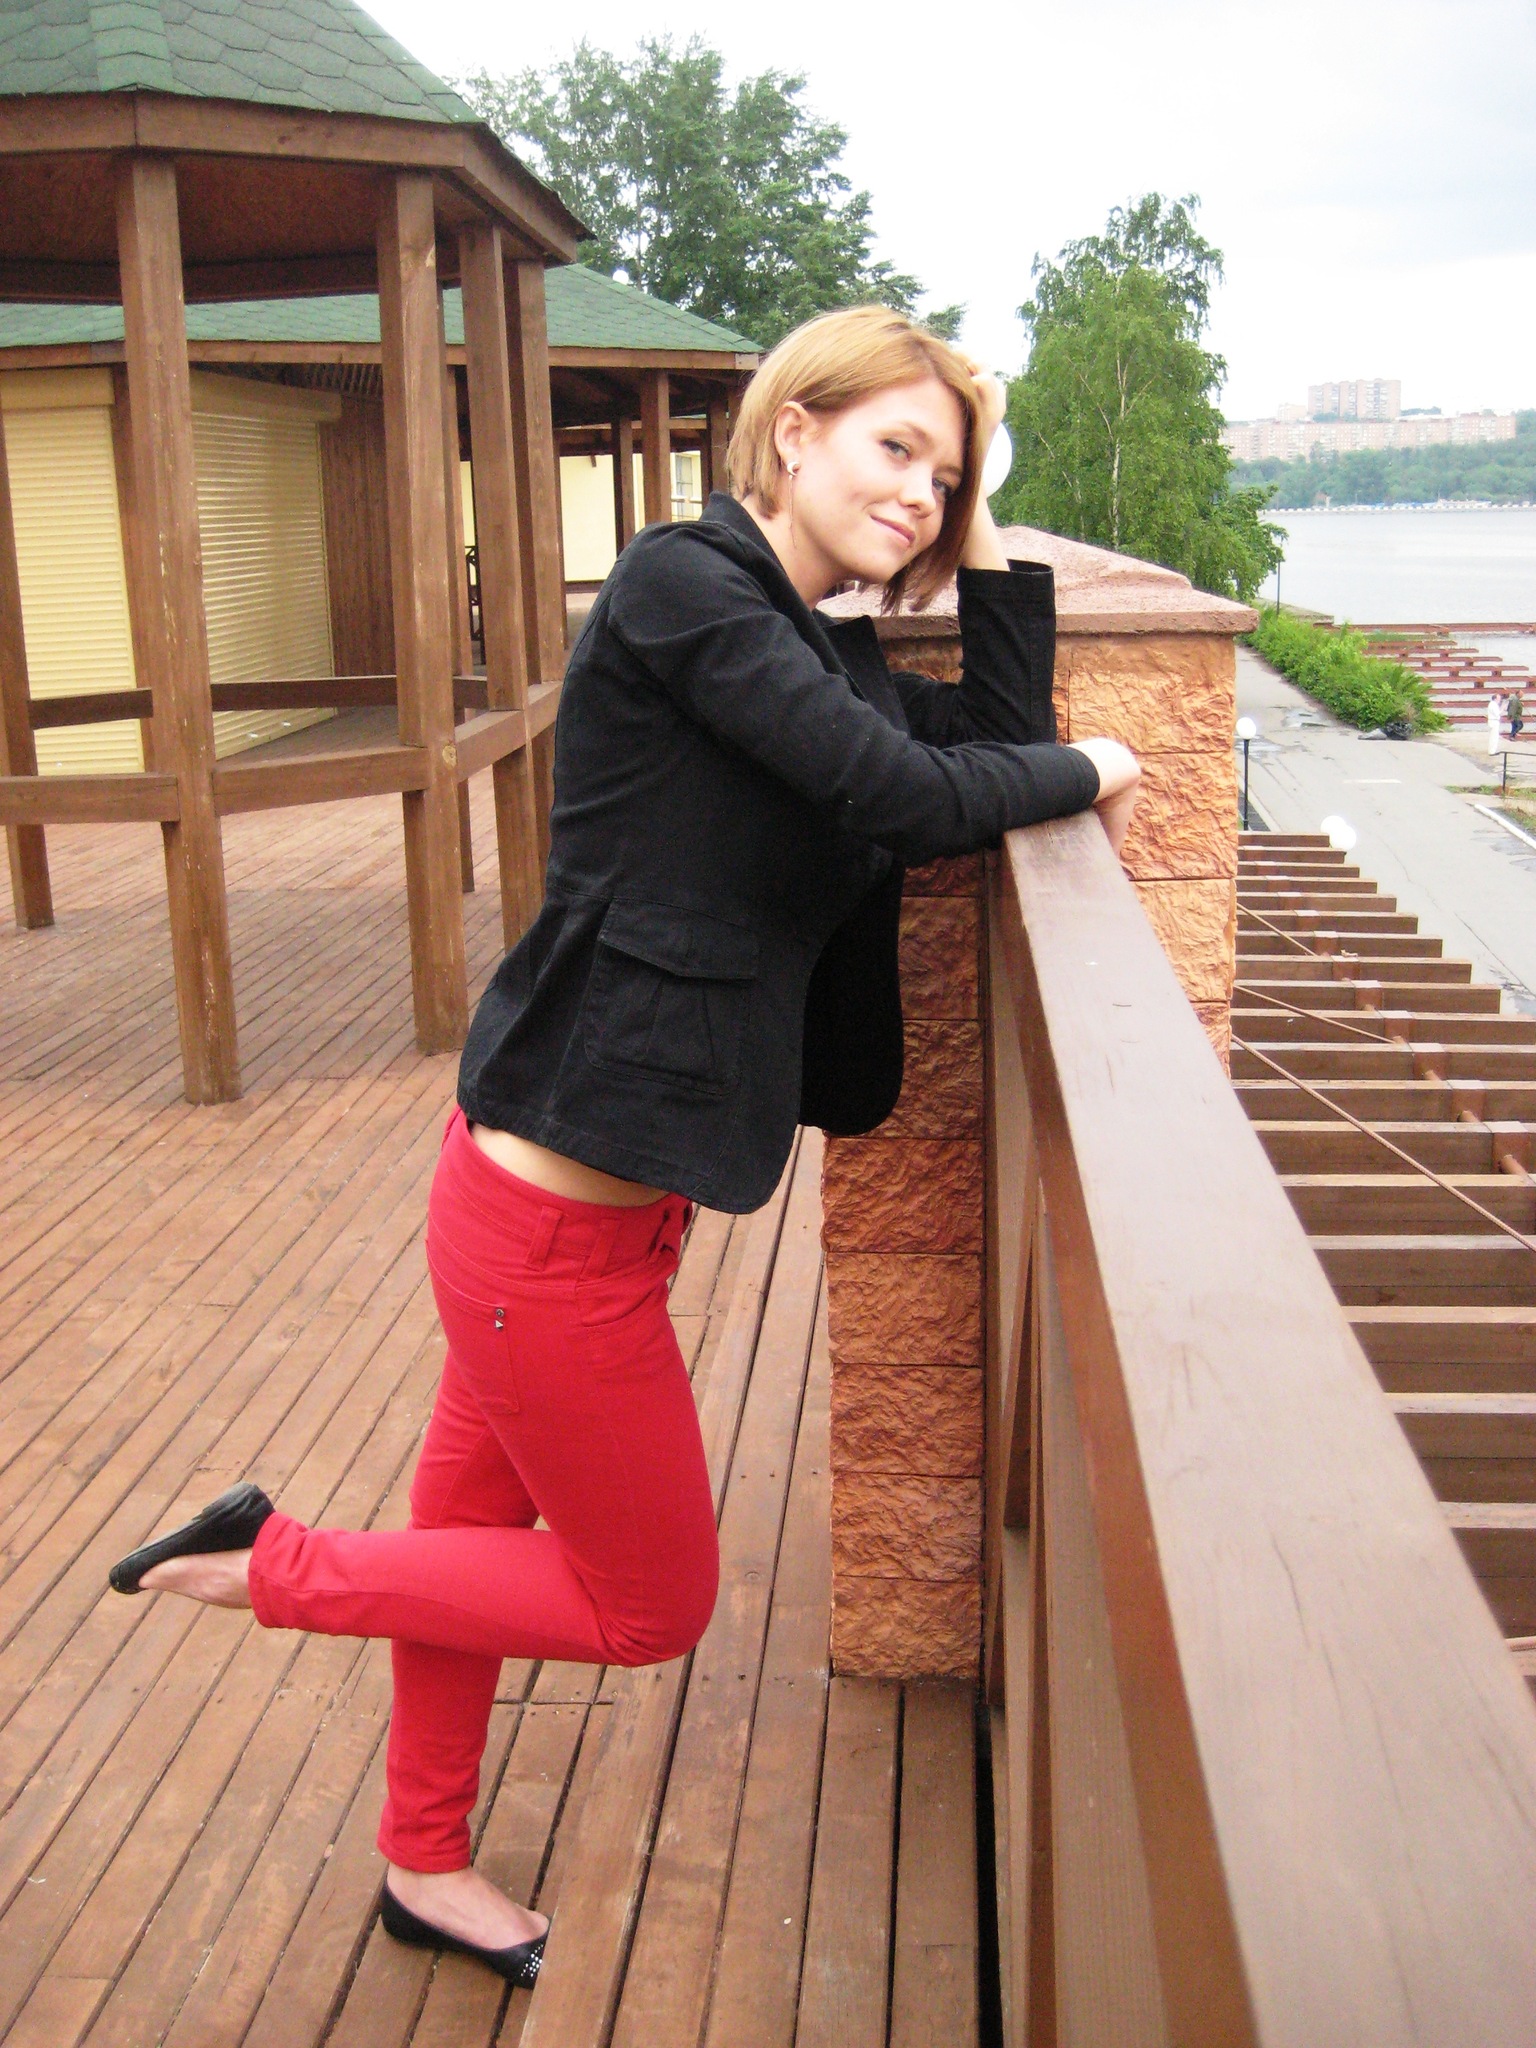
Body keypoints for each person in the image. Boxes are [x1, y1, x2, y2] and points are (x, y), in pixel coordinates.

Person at [107, 306, 1140, 1980]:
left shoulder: (811, 644)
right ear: (791, 431)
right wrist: (1100, 764)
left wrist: (987, 535)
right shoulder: (685, 589)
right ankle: (267, 1563)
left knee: (460, 1567)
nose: (920, 496)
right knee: (647, 1604)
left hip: (562, 1212)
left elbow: (976, 739)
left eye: (945, 479)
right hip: (544, 1241)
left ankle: (420, 1862)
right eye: (894, 449)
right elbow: (914, 801)